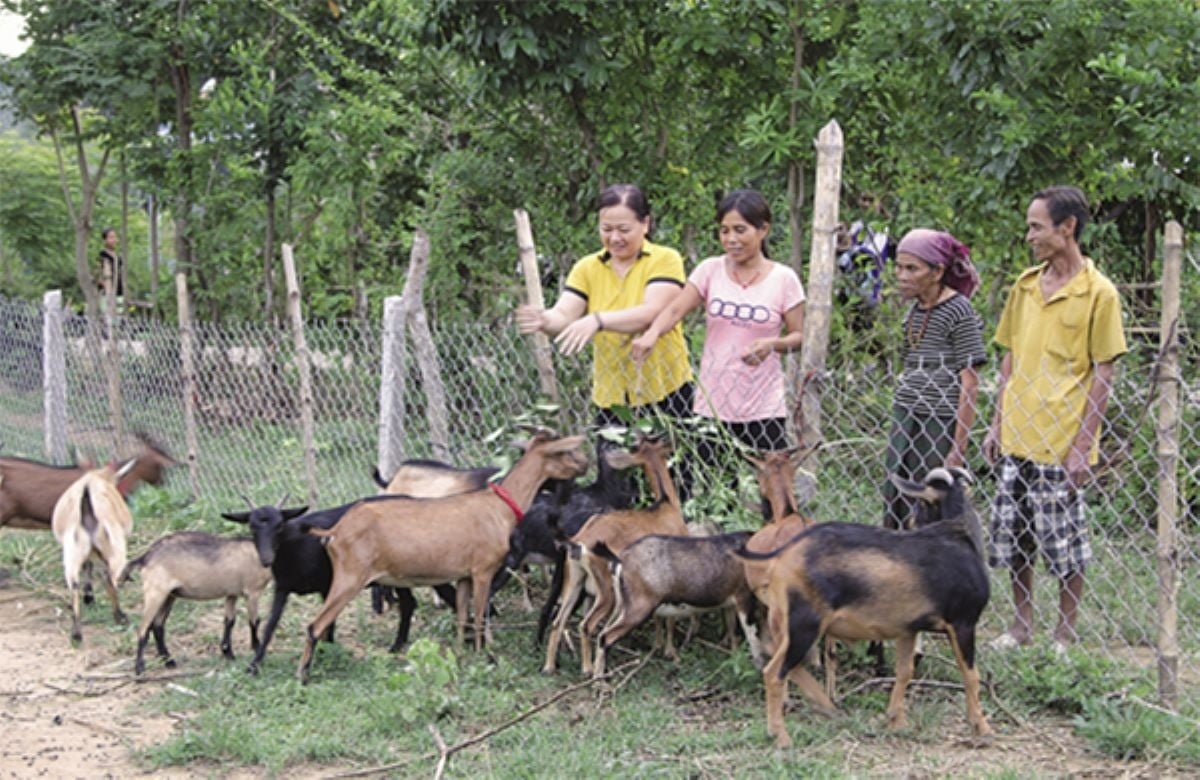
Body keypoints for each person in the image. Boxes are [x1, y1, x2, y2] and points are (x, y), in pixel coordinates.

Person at [983, 185, 1127, 652]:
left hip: (1062, 438)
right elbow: (1009, 359)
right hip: (1017, 433)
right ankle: (1021, 626)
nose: (1030, 236)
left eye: (1037, 226)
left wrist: (1084, 444)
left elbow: (1103, 371)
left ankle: (1064, 633)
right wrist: (996, 422)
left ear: (1068, 228)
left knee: (1065, 546)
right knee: (1016, 538)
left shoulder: (1098, 294)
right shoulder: (1025, 287)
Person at [631, 189, 804, 460]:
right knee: (718, 491)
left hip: (764, 406)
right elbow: (676, 309)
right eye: (724, 231)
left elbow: (799, 336)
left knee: (769, 489)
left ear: (763, 230)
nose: (731, 239)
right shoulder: (710, 270)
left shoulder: (784, 279)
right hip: (712, 405)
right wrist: (652, 333)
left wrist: (773, 344)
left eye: (740, 230)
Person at [515, 183, 694, 430]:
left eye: (624, 229)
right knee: (612, 466)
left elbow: (652, 313)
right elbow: (565, 314)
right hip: (613, 399)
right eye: (606, 229)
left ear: (645, 224)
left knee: (672, 468)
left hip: (666, 393)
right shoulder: (587, 268)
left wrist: (597, 320)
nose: (614, 238)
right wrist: (545, 321)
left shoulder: (665, 259)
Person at [882, 229, 986, 530]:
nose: (902, 275)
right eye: (899, 267)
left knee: (930, 505)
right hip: (906, 415)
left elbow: (969, 381)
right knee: (897, 494)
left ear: (938, 271)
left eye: (912, 268)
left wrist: (958, 449)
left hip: (938, 421)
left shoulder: (958, 311)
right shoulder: (913, 312)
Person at [97, 227, 124, 311]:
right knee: (107, 314)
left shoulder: (118, 255)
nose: (114, 240)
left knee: (119, 314)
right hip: (106, 291)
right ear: (105, 240)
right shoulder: (102, 255)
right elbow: (98, 273)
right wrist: (106, 287)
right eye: (111, 237)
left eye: (115, 237)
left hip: (119, 290)